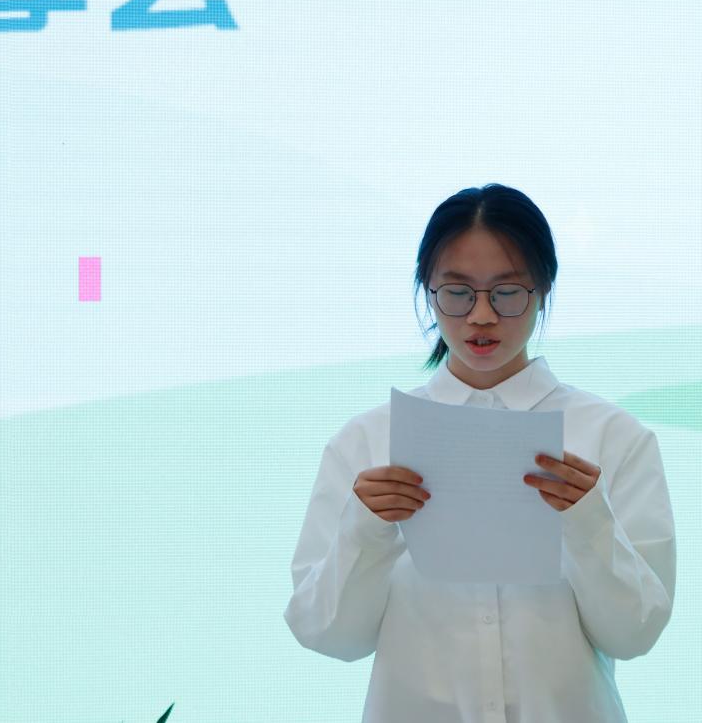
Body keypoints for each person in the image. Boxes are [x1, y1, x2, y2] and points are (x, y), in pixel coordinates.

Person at [284, 183, 676, 722]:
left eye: (508, 291)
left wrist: (590, 522)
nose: (482, 315)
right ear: (427, 290)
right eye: (458, 292)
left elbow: (635, 635)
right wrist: (364, 529)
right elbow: (328, 636)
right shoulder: (366, 443)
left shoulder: (613, 437)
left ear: (543, 288)